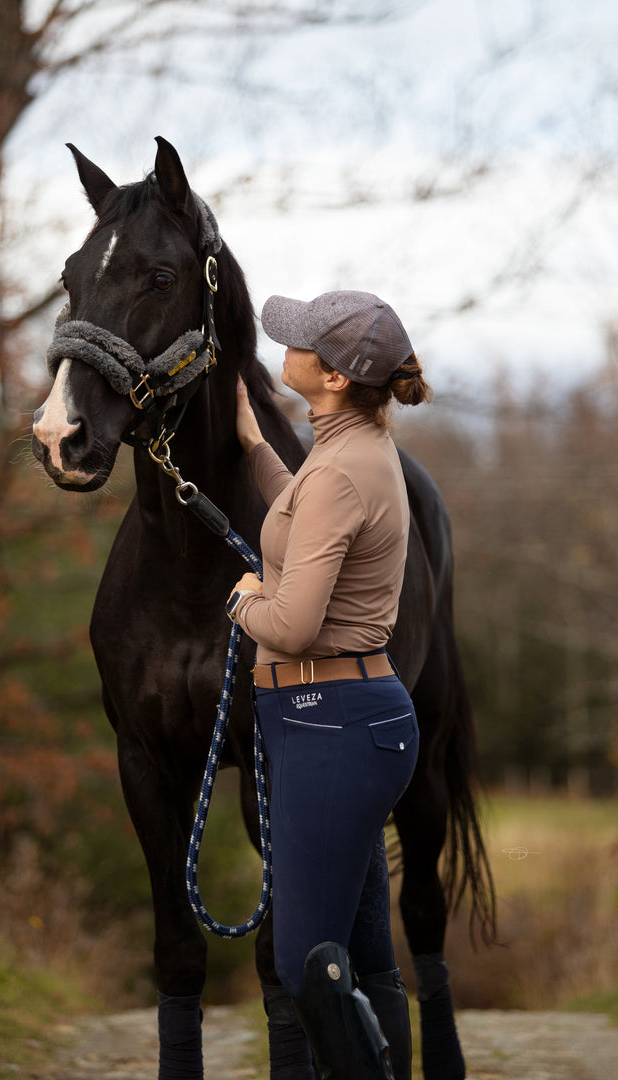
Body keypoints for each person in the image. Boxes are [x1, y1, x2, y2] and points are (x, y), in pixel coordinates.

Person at [226, 290, 432, 1080]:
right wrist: (253, 445)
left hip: (330, 724)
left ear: (337, 376)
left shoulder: (343, 468)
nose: (289, 344)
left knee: (307, 963)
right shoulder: (349, 451)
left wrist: (247, 602)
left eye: (304, 340)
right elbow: (304, 512)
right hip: (342, 724)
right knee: (361, 957)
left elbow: (293, 625)